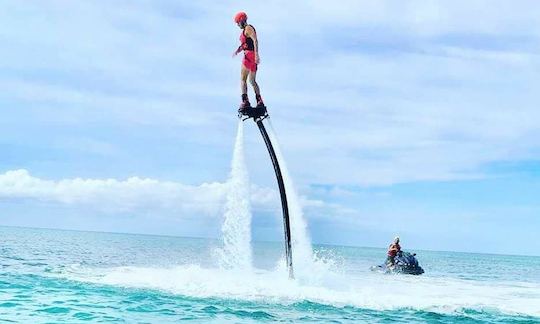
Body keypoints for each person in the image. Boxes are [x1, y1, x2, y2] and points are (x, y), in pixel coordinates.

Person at [232, 11, 264, 111]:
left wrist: (257, 55)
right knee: (252, 81)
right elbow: (245, 44)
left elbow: (255, 40)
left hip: (249, 56)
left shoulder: (248, 28)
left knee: (242, 79)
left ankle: (245, 101)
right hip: (252, 57)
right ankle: (259, 101)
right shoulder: (245, 31)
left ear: (242, 20)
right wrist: (238, 50)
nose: (237, 25)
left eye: (238, 22)